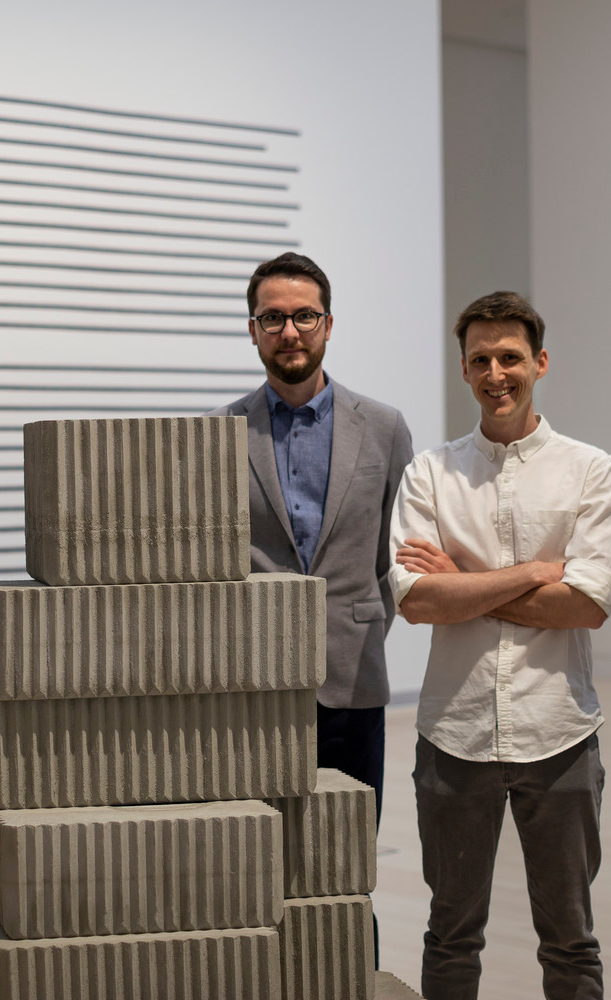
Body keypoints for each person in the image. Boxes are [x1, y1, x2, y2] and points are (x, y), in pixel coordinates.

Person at [389, 290, 611, 1000]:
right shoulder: (429, 473)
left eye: (511, 358)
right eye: (481, 360)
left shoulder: (592, 470)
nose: (496, 374)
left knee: (571, 942)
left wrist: (463, 581)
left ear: (540, 362)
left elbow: (585, 606)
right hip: (454, 736)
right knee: (450, 937)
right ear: (463, 369)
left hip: (560, 733)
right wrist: (529, 574)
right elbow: (416, 600)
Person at [208, 252, 413, 823]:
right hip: (252, 681)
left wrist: (362, 621)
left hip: (352, 673)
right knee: (253, 851)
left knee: (348, 849)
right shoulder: (217, 432)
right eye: (272, 318)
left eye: (304, 316)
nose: (289, 331)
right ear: (253, 330)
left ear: (328, 324)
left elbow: (397, 552)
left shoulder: (383, 427)